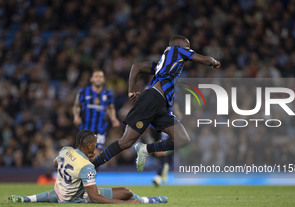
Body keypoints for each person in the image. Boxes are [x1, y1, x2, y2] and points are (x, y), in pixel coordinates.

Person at [91, 35, 221, 172]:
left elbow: (137, 67)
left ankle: (144, 149)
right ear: (178, 45)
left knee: (182, 139)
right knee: (126, 142)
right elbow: (206, 60)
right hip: (153, 98)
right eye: (187, 47)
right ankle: (92, 166)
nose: (189, 50)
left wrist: (131, 91)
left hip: (163, 106)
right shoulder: (177, 50)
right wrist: (215, 61)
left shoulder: (162, 65)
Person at [8, 130, 168, 204]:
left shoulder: (65, 150)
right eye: (94, 145)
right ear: (90, 145)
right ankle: (148, 201)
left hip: (60, 192)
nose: (96, 147)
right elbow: (95, 197)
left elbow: (56, 163)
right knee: (126, 192)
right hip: (74, 199)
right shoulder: (87, 167)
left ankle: (26, 199)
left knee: (56, 194)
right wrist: (126, 204)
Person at [73, 70, 120, 157]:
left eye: (100, 77)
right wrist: (76, 116)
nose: (98, 79)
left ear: (104, 80)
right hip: (85, 127)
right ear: (91, 79)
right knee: (84, 152)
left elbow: (110, 108)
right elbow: (76, 106)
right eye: (96, 77)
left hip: (100, 129)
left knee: (96, 152)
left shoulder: (108, 94)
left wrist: (113, 118)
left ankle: (92, 170)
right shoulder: (83, 92)